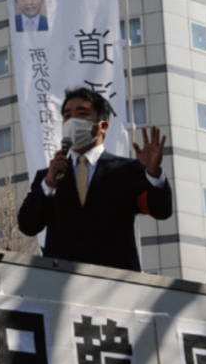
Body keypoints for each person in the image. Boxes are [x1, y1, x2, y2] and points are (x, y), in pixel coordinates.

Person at [18, 87, 173, 272]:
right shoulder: (49, 176)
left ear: (103, 126)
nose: (72, 120)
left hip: (114, 285)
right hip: (59, 284)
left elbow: (161, 210)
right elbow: (27, 225)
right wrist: (48, 185)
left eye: (82, 114)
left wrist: (154, 174)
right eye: (67, 116)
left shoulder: (127, 170)